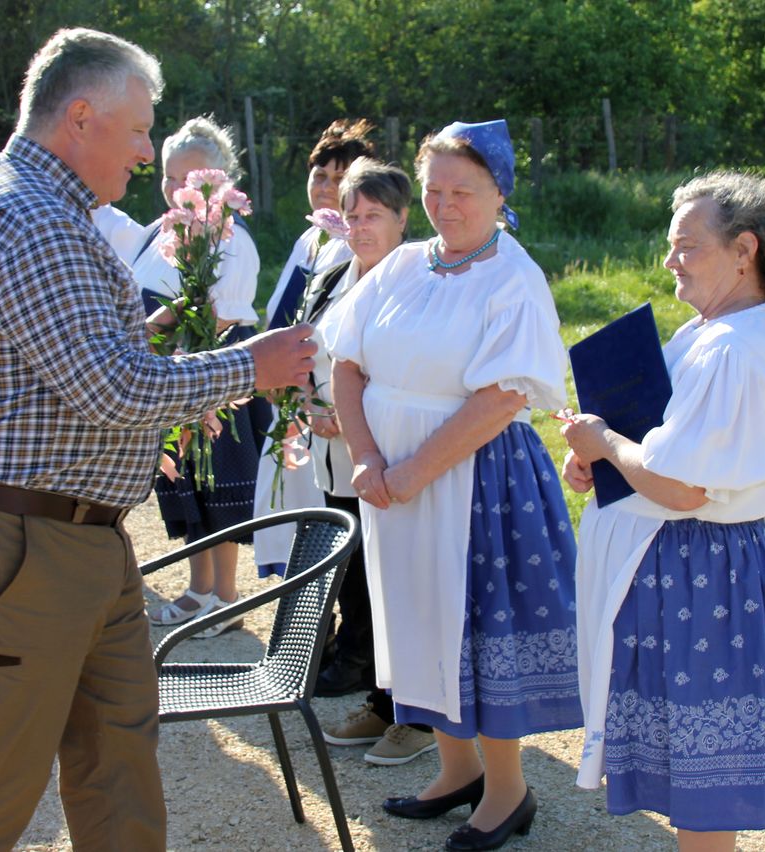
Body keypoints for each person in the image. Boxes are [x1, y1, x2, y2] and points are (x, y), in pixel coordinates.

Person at [0, 28, 316, 851]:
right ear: (81, 116)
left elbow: (87, 370)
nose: (143, 154)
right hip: (26, 545)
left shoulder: (43, 205)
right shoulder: (31, 216)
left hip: (72, 538)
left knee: (117, 763)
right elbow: (112, 391)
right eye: (137, 131)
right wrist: (250, 364)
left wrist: (158, 350)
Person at [325, 119, 584, 851]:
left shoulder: (516, 278)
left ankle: (507, 794)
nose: (445, 204)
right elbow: (347, 363)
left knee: (473, 630)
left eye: (462, 191)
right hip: (393, 485)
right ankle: (456, 770)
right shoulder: (404, 265)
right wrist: (369, 459)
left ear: (499, 193)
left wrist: (409, 470)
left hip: (474, 481)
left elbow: (502, 397)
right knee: (412, 620)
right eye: (434, 189)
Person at [560, 171, 765, 852]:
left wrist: (607, 443)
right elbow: (667, 447)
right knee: (694, 781)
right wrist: (604, 462)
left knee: (704, 786)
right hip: (701, 569)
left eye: (686, 245)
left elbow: (684, 488)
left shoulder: (735, 349)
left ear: (744, 249)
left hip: (704, 575)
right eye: (669, 244)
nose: (670, 260)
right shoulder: (719, 330)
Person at [304, 157, 434, 767]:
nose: (359, 227)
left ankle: (416, 717)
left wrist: (355, 420)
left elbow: (412, 376)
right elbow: (314, 348)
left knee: (398, 587)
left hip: (385, 458)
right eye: (352, 215)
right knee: (356, 586)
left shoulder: (417, 284)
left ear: (403, 218)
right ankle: (382, 702)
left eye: (373, 216)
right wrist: (308, 401)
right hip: (335, 459)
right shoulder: (336, 276)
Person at [134, 116, 270, 636]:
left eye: (190, 178)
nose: (177, 188)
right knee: (185, 481)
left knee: (216, 484)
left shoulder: (233, 237)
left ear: (220, 179)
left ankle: (226, 598)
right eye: (170, 177)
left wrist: (162, 335)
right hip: (171, 369)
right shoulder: (157, 231)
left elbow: (222, 317)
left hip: (212, 368)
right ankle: (200, 589)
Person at [251, 118, 376, 579]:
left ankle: (329, 639)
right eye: (320, 175)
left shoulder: (356, 249)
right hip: (289, 402)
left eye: (340, 178)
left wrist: (308, 391)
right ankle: (308, 636)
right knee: (289, 515)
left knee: (323, 523)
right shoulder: (310, 240)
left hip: (321, 405)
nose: (327, 187)